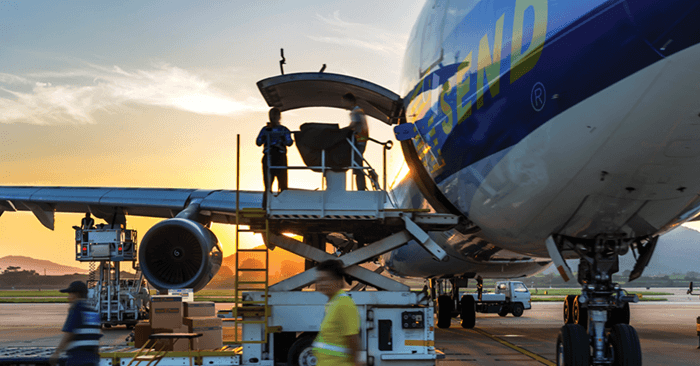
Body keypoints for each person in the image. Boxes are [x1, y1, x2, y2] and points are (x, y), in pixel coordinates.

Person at [313, 260, 361, 366]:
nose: (321, 284)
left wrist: (356, 362)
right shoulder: (333, 302)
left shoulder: (344, 304)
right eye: (319, 280)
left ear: (338, 282)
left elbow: (353, 339)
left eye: (326, 279)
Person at [50, 281, 102, 366]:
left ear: (76, 294)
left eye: (70, 294)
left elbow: (69, 334)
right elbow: (98, 335)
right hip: (93, 359)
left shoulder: (76, 309)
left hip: (78, 359)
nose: (68, 298)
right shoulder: (93, 312)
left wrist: (57, 352)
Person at [256, 107, 293, 207]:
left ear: (279, 117)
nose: (274, 118)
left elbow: (290, 142)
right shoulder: (265, 129)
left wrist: (282, 139)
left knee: (283, 183)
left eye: (275, 115)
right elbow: (258, 142)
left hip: (280, 157)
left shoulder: (283, 129)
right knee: (268, 183)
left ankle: (283, 205)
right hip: (269, 157)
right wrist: (264, 137)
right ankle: (267, 205)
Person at [342, 93, 369, 191]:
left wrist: (343, 131)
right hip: (361, 140)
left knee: (357, 165)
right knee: (357, 164)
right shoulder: (359, 111)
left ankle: (361, 189)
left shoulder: (355, 112)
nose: (343, 104)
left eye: (344, 101)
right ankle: (361, 187)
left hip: (359, 140)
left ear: (350, 101)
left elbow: (354, 124)